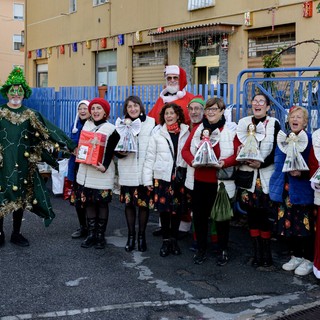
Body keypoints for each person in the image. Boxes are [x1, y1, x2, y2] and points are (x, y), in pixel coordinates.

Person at [0, 67, 77, 247]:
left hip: (23, 162)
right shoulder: (0, 112)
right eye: (13, 90)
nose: (16, 94)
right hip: (3, 162)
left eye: (20, 91)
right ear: (7, 92)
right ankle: (0, 232)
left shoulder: (31, 114)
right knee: (2, 195)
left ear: (24, 94)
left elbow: (48, 131)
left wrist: (69, 145)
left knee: (20, 196)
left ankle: (16, 233)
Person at [182, 97, 240, 265]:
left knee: (221, 219)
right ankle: (201, 249)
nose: (211, 112)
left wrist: (225, 163)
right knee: (199, 218)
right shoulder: (198, 129)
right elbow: (185, 150)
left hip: (220, 183)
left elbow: (238, 154)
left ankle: (222, 249)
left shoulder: (229, 131)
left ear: (222, 111)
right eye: (208, 109)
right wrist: (192, 161)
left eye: (215, 109)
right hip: (199, 180)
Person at [270, 106, 317, 276]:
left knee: (305, 226)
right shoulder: (283, 139)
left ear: (305, 122)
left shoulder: (311, 140)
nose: (295, 120)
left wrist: (302, 172)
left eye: (299, 117)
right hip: (286, 189)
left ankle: (308, 259)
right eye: (292, 117)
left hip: (303, 190)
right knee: (290, 226)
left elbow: (315, 166)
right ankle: (295, 255)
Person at [237, 93, 281, 268]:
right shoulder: (244, 123)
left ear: (268, 107)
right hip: (248, 177)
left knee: (264, 217)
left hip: (265, 178)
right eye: (254, 101)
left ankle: (266, 254)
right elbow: (239, 146)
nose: (257, 104)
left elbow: (277, 151)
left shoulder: (274, 124)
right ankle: (256, 253)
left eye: (261, 101)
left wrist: (261, 163)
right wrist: (245, 157)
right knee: (252, 216)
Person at [143, 103, 189, 257]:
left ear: (178, 115)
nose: (169, 116)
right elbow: (150, 158)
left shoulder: (186, 133)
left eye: (172, 113)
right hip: (162, 177)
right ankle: (166, 240)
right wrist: (147, 180)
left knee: (176, 210)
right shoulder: (157, 135)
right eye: (166, 113)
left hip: (179, 179)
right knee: (164, 211)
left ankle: (174, 240)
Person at [75, 98, 120, 249]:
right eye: (93, 108)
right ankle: (91, 234)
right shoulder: (86, 125)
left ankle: (100, 236)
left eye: (99, 108)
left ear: (105, 112)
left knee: (101, 204)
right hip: (85, 172)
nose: (95, 111)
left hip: (101, 173)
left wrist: (105, 166)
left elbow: (111, 150)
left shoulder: (111, 129)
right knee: (88, 203)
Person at [116, 96, 155, 252]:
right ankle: (131, 236)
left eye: (135, 105)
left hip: (144, 172)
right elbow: (115, 147)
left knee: (144, 206)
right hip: (128, 171)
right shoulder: (120, 124)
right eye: (129, 106)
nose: (132, 109)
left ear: (141, 107)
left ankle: (141, 236)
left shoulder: (151, 123)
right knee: (129, 205)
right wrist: (121, 154)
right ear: (126, 109)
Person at [67, 100, 91, 238]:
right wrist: (72, 148)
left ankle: (92, 228)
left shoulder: (93, 126)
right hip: (76, 166)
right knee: (78, 199)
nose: (82, 111)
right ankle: (83, 227)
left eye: (85, 108)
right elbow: (70, 142)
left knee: (89, 198)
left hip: (89, 166)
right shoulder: (74, 126)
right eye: (80, 108)